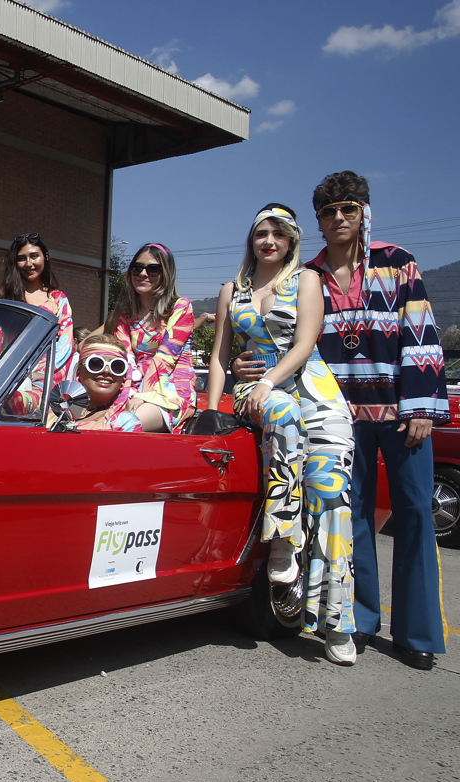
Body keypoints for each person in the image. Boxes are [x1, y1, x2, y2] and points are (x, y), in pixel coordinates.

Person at [236, 172, 450, 670]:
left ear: (364, 213)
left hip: (400, 414)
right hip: (338, 413)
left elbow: (421, 330)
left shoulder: (397, 264)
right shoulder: (306, 274)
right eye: (329, 212)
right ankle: (361, 618)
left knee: (415, 514)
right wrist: (252, 363)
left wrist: (421, 405)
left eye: (347, 210)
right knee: (351, 519)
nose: (338, 219)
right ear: (318, 222)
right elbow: (287, 340)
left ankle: (417, 634)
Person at [208, 204, 357, 665]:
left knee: (333, 501)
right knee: (285, 419)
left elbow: (306, 342)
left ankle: (338, 624)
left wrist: (274, 378)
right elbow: (219, 355)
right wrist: (213, 409)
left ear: (292, 240)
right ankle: (282, 542)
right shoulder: (232, 290)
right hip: (260, 392)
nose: (268, 241)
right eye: (260, 233)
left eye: (278, 233)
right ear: (250, 240)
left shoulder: (307, 281)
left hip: (316, 392)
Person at [107, 243, 197, 433]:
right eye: (137, 268)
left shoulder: (180, 307)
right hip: (132, 389)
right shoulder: (125, 314)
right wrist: (128, 393)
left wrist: (143, 396)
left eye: (153, 269)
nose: (143, 273)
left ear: (166, 274)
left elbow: (165, 358)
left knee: (123, 425)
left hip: (170, 392)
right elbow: (125, 359)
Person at [0, 232, 73, 391]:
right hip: (7, 375)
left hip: (44, 380)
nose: (29, 263)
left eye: (34, 256)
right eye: (22, 258)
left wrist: (43, 374)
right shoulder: (4, 295)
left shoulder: (58, 300)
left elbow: (65, 346)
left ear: (45, 256)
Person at [64, 334, 143, 432]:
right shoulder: (53, 412)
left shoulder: (125, 423)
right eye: (96, 363)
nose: (106, 370)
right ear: (79, 371)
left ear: (123, 379)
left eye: (117, 366)